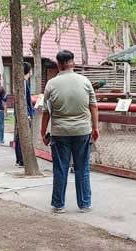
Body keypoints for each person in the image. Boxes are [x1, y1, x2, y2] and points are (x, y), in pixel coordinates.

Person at [41, 50, 99, 214]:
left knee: (60, 168)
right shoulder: (85, 81)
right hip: (82, 131)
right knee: (82, 168)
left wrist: (42, 131)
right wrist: (95, 128)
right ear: (73, 63)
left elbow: (46, 111)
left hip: (60, 132)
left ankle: (59, 204)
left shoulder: (51, 84)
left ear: (58, 64)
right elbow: (93, 106)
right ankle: (85, 203)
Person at [14, 62, 34, 167]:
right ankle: (21, 159)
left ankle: (19, 158)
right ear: (28, 71)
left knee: (19, 136)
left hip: (20, 113)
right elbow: (24, 100)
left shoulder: (21, 82)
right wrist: (27, 115)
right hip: (24, 114)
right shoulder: (24, 83)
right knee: (23, 136)